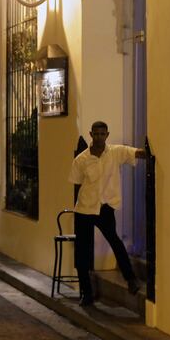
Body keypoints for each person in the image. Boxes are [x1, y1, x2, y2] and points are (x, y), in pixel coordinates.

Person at [68, 121, 146, 307]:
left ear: (107, 135)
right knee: (83, 251)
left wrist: (155, 151)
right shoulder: (81, 159)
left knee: (115, 241)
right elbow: (77, 184)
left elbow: (136, 153)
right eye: (96, 133)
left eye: (103, 134)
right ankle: (86, 293)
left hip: (105, 208)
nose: (99, 137)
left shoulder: (116, 153)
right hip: (85, 209)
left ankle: (131, 279)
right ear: (90, 134)